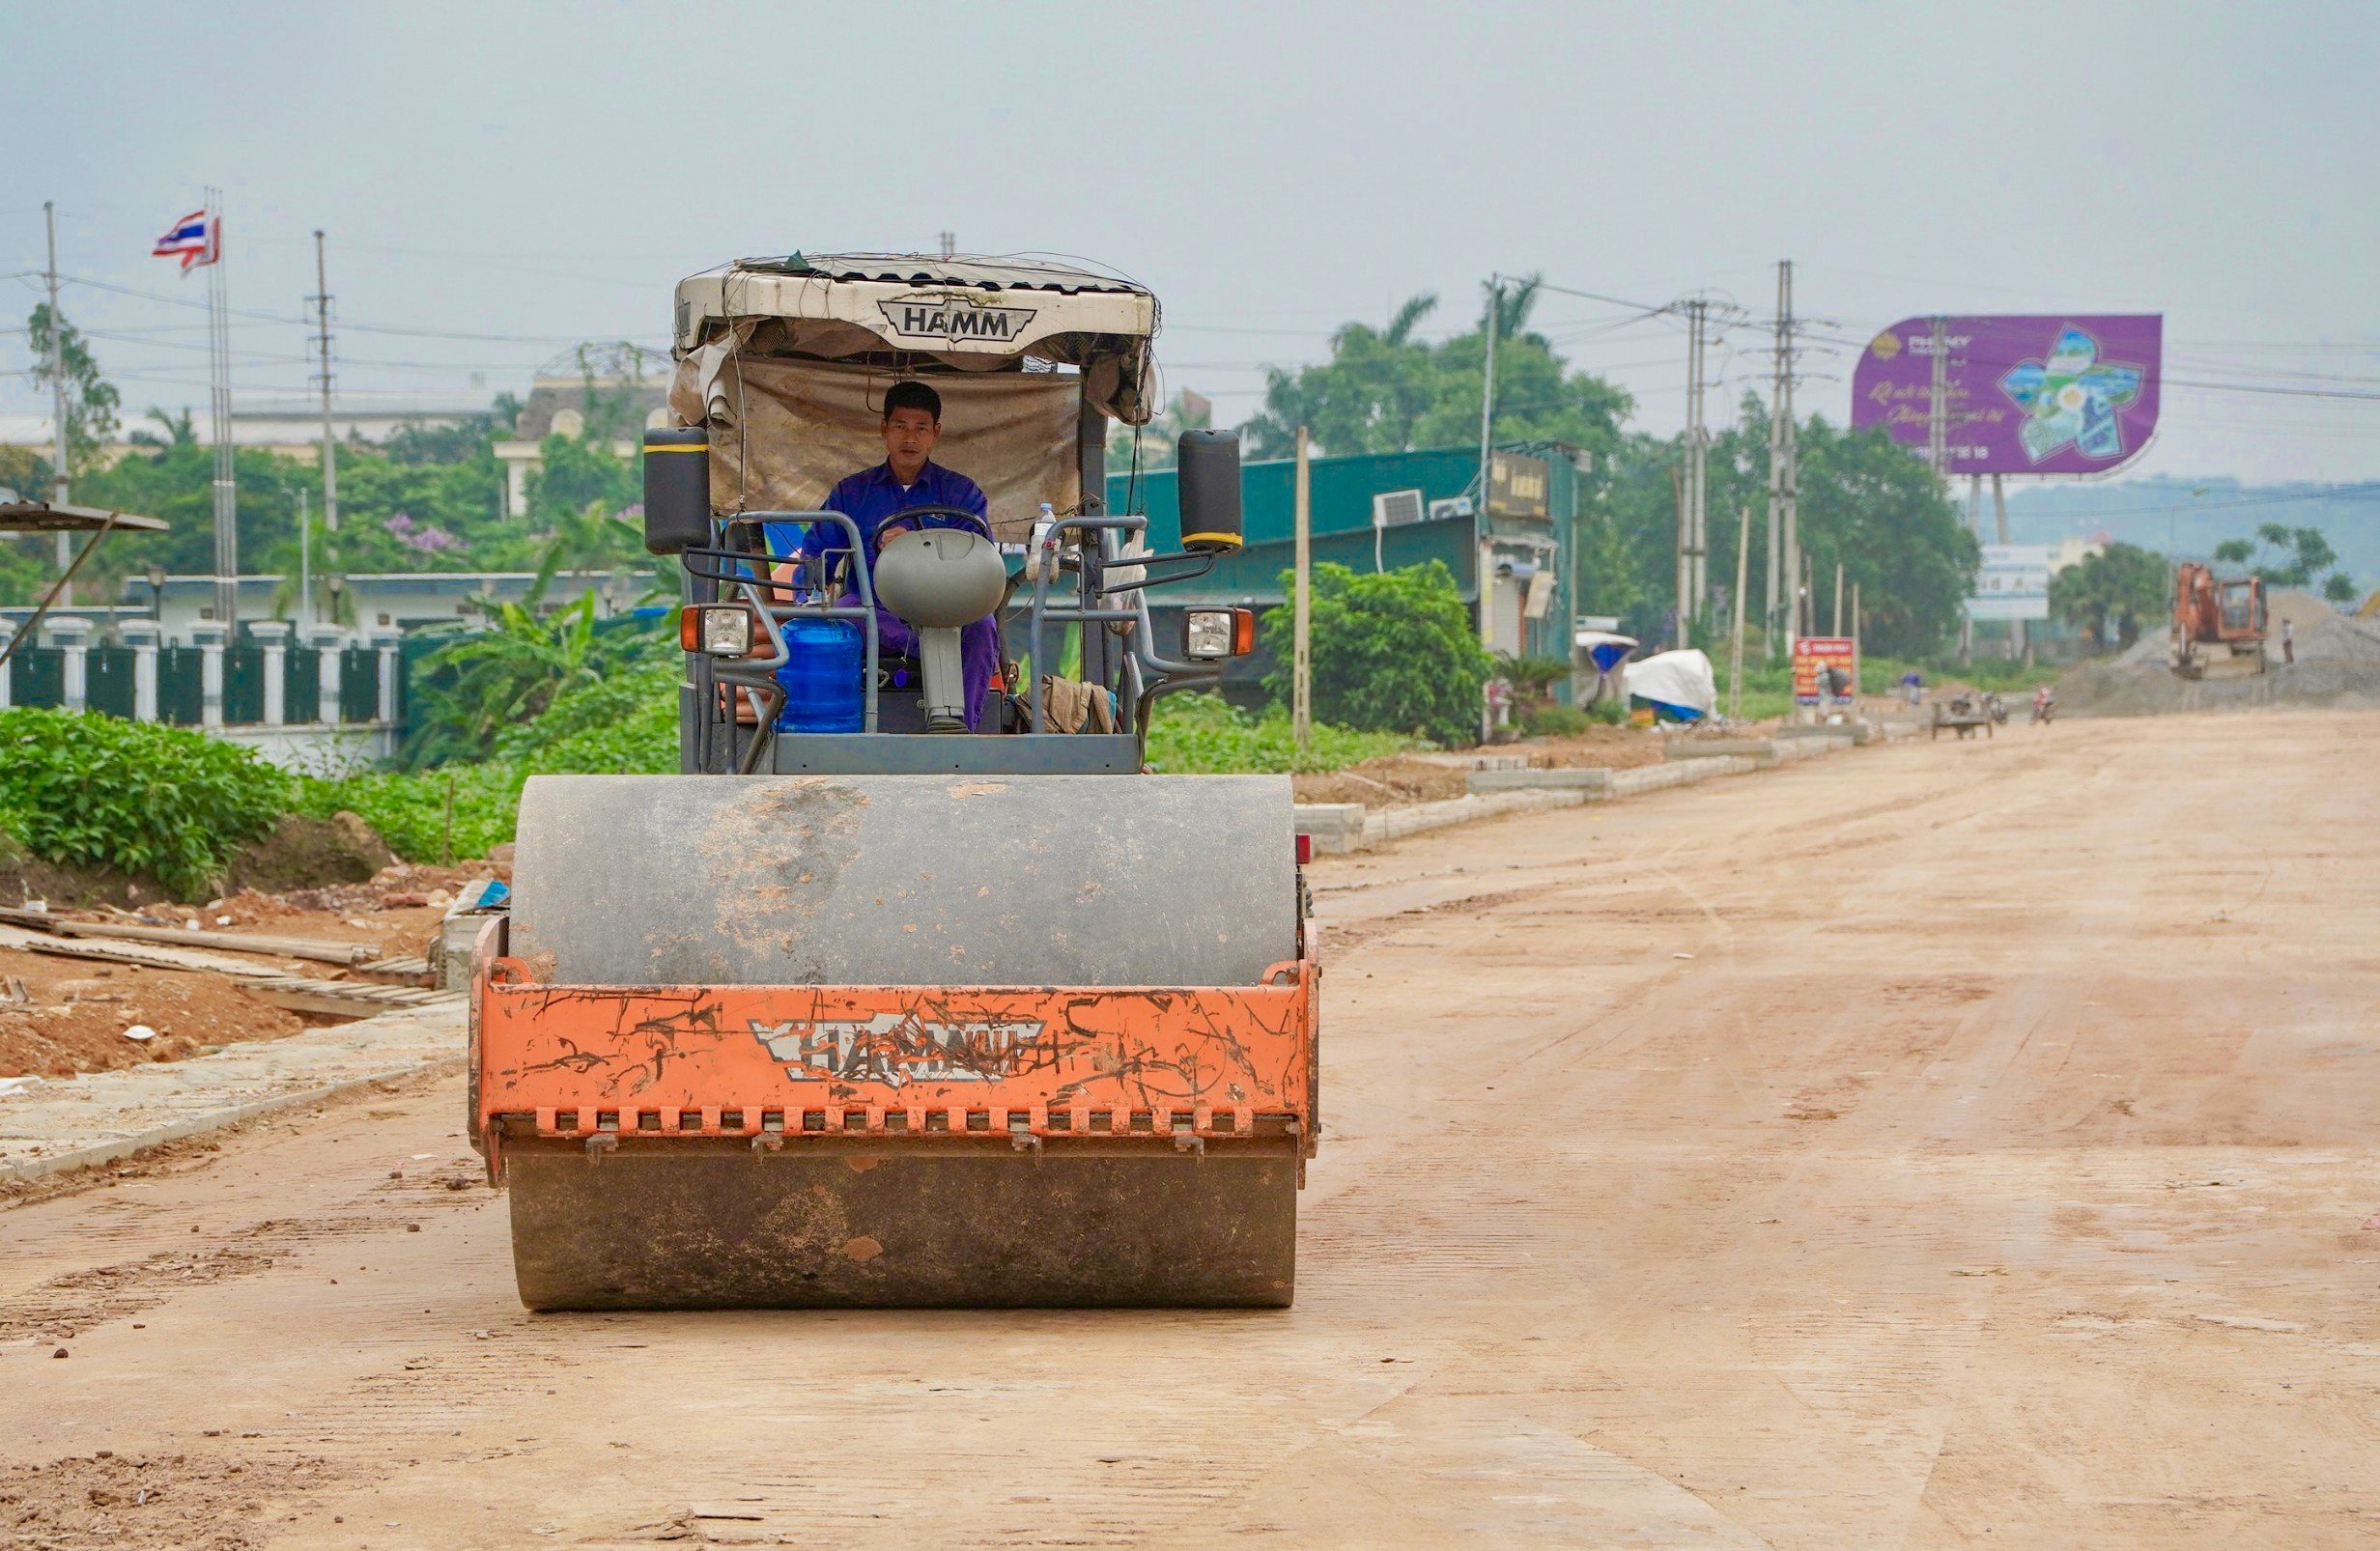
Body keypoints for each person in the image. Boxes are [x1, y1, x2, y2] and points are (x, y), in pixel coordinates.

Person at [771, 381, 1003, 730]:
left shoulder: (962, 494)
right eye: (900, 426)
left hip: (948, 613)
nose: (910, 438)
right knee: (846, 611)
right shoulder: (851, 494)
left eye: (920, 428)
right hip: (874, 611)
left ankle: (960, 729)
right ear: (884, 430)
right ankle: (920, 652)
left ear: (935, 433)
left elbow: (979, 558)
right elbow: (816, 555)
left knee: (983, 626)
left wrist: (919, 543)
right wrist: (807, 602)